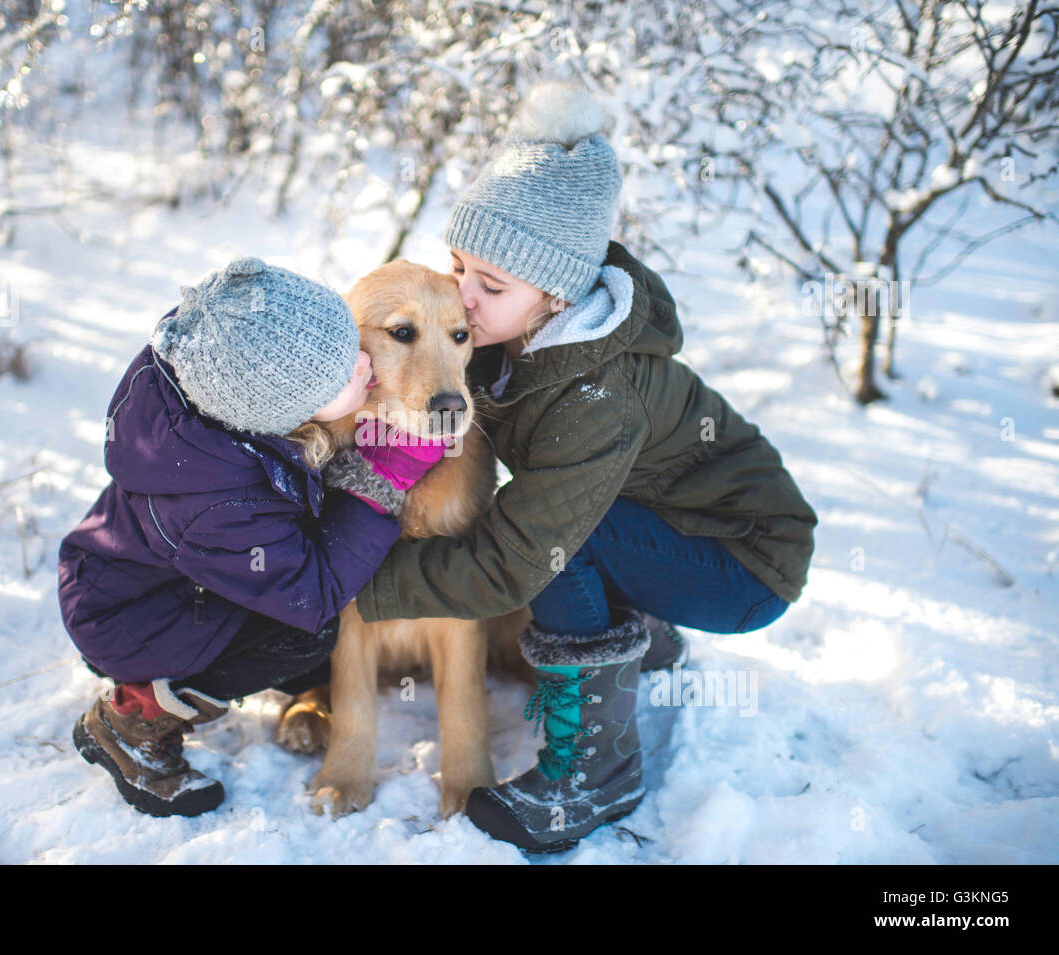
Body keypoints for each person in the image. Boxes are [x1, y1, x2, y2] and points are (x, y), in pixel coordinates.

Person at [350, 83, 819, 852]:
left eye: (490, 286)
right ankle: (648, 641)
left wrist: (366, 584)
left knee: (562, 541)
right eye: (459, 264)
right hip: (668, 519)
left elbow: (516, 561)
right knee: (570, 523)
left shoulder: (595, 394)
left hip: (746, 556)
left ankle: (596, 770)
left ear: (556, 295)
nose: (461, 297)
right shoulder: (508, 331)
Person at [57, 257, 445, 818]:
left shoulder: (223, 362)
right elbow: (310, 591)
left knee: (315, 653)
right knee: (304, 636)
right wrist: (381, 478)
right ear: (287, 409)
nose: (367, 365)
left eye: (351, 346)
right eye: (342, 375)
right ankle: (135, 718)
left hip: (138, 579)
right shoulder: (222, 503)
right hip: (130, 623)